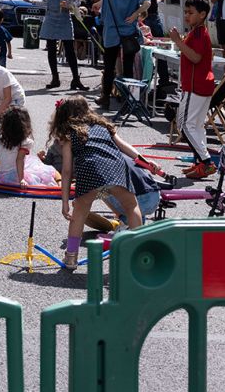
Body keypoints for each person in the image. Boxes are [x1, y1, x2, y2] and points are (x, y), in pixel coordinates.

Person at [49, 96, 158, 269]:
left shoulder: (69, 134)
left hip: (89, 173)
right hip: (115, 169)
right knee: (131, 206)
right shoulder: (104, 127)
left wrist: (65, 202)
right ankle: (138, 251)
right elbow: (126, 148)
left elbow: (67, 171)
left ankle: (71, 258)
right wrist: (146, 163)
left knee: (80, 212)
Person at [167, 0, 218, 180]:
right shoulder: (197, 32)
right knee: (196, 126)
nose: (187, 15)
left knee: (185, 125)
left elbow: (195, 57)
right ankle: (199, 163)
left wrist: (177, 42)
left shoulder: (198, 33)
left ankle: (206, 162)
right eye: (185, 12)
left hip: (195, 86)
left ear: (202, 14)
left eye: (191, 12)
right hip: (201, 85)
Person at [98, 0, 146, 109]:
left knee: (109, 67)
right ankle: (127, 100)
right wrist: (135, 15)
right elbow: (147, 2)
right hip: (129, 33)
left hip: (111, 32)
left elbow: (104, 12)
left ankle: (105, 97)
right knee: (128, 68)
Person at [41, 0, 84, 90]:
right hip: (50, 17)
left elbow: (78, 2)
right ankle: (55, 78)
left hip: (64, 18)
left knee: (70, 49)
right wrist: (31, 1)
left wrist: (69, 5)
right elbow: (45, 1)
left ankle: (76, 79)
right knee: (51, 49)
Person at [0, 105, 59, 187]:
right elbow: (19, 160)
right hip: (16, 175)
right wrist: (21, 179)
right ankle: (60, 183)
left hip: (1, 175)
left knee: (33, 166)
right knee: (47, 171)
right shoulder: (24, 142)